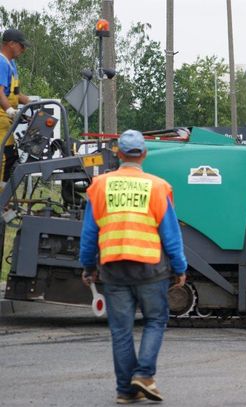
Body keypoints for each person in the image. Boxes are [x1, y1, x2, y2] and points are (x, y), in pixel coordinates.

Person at [80, 129, 188, 404]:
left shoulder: (100, 186)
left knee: (121, 329)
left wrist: (88, 266)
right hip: (150, 268)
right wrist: (179, 267)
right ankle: (143, 374)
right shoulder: (158, 187)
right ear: (144, 154)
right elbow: (170, 234)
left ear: (118, 153)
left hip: (113, 268)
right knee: (155, 320)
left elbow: (89, 234)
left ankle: (126, 391)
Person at [0, 29, 30, 182]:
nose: (23, 50)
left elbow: (14, 95)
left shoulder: (11, 64)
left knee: (11, 159)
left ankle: (5, 202)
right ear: (11, 44)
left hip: (7, 124)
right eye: (21, 46)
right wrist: (10, 111)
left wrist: (31, 103)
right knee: (3, 159)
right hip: (1, 122)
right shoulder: (0, 62)